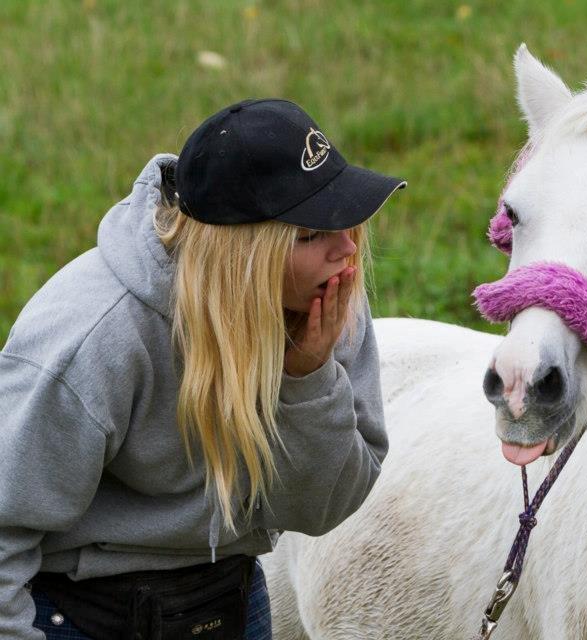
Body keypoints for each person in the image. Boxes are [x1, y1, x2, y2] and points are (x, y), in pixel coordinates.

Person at [0, 98, 405, 639]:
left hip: (230, 597)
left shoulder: (324, 302)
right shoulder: (93, 337)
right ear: (241, 253)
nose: (347, 251)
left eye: (342, 217)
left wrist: (306, 377)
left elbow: (323, 509)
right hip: (78, 614)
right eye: (310, 234)